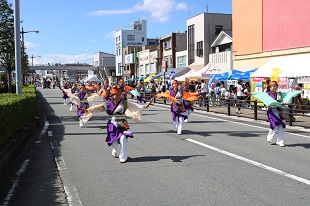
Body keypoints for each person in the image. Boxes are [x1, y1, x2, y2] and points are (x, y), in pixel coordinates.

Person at [266, 81, 286, 147]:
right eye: (273, 86)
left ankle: (280, 142)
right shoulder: (268, 94)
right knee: (274, 125)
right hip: (272, 111)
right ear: (270, 87)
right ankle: (269, 137)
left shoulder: (279, 94)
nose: (274, 87)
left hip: (279, 111)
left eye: (275, 86)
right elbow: (266, 102)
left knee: (280, 126)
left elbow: (282, 101)